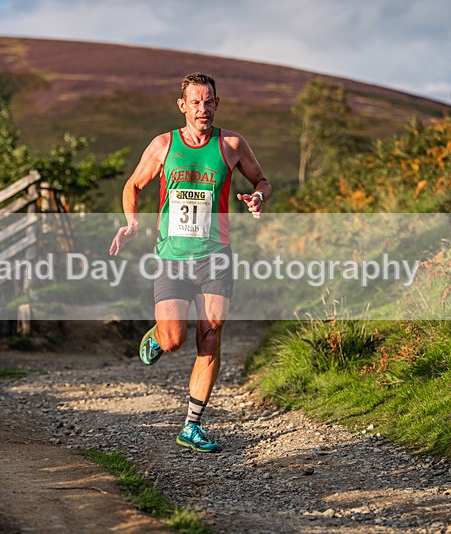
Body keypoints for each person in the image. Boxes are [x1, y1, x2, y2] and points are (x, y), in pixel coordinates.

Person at [109, 72, 272, 452]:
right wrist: (132, 223)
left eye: (209, 101)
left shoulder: (231, 144)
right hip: (171, 258)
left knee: (211, 333)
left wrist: (259, 197)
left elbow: (261, 180)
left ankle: (192, 425)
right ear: (182, 105)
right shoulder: (164, 145)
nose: (203, 108)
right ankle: (158, 335)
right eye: (195, 102)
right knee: (175, 340)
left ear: (218, 103)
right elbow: (133, 184)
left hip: (215, 255)